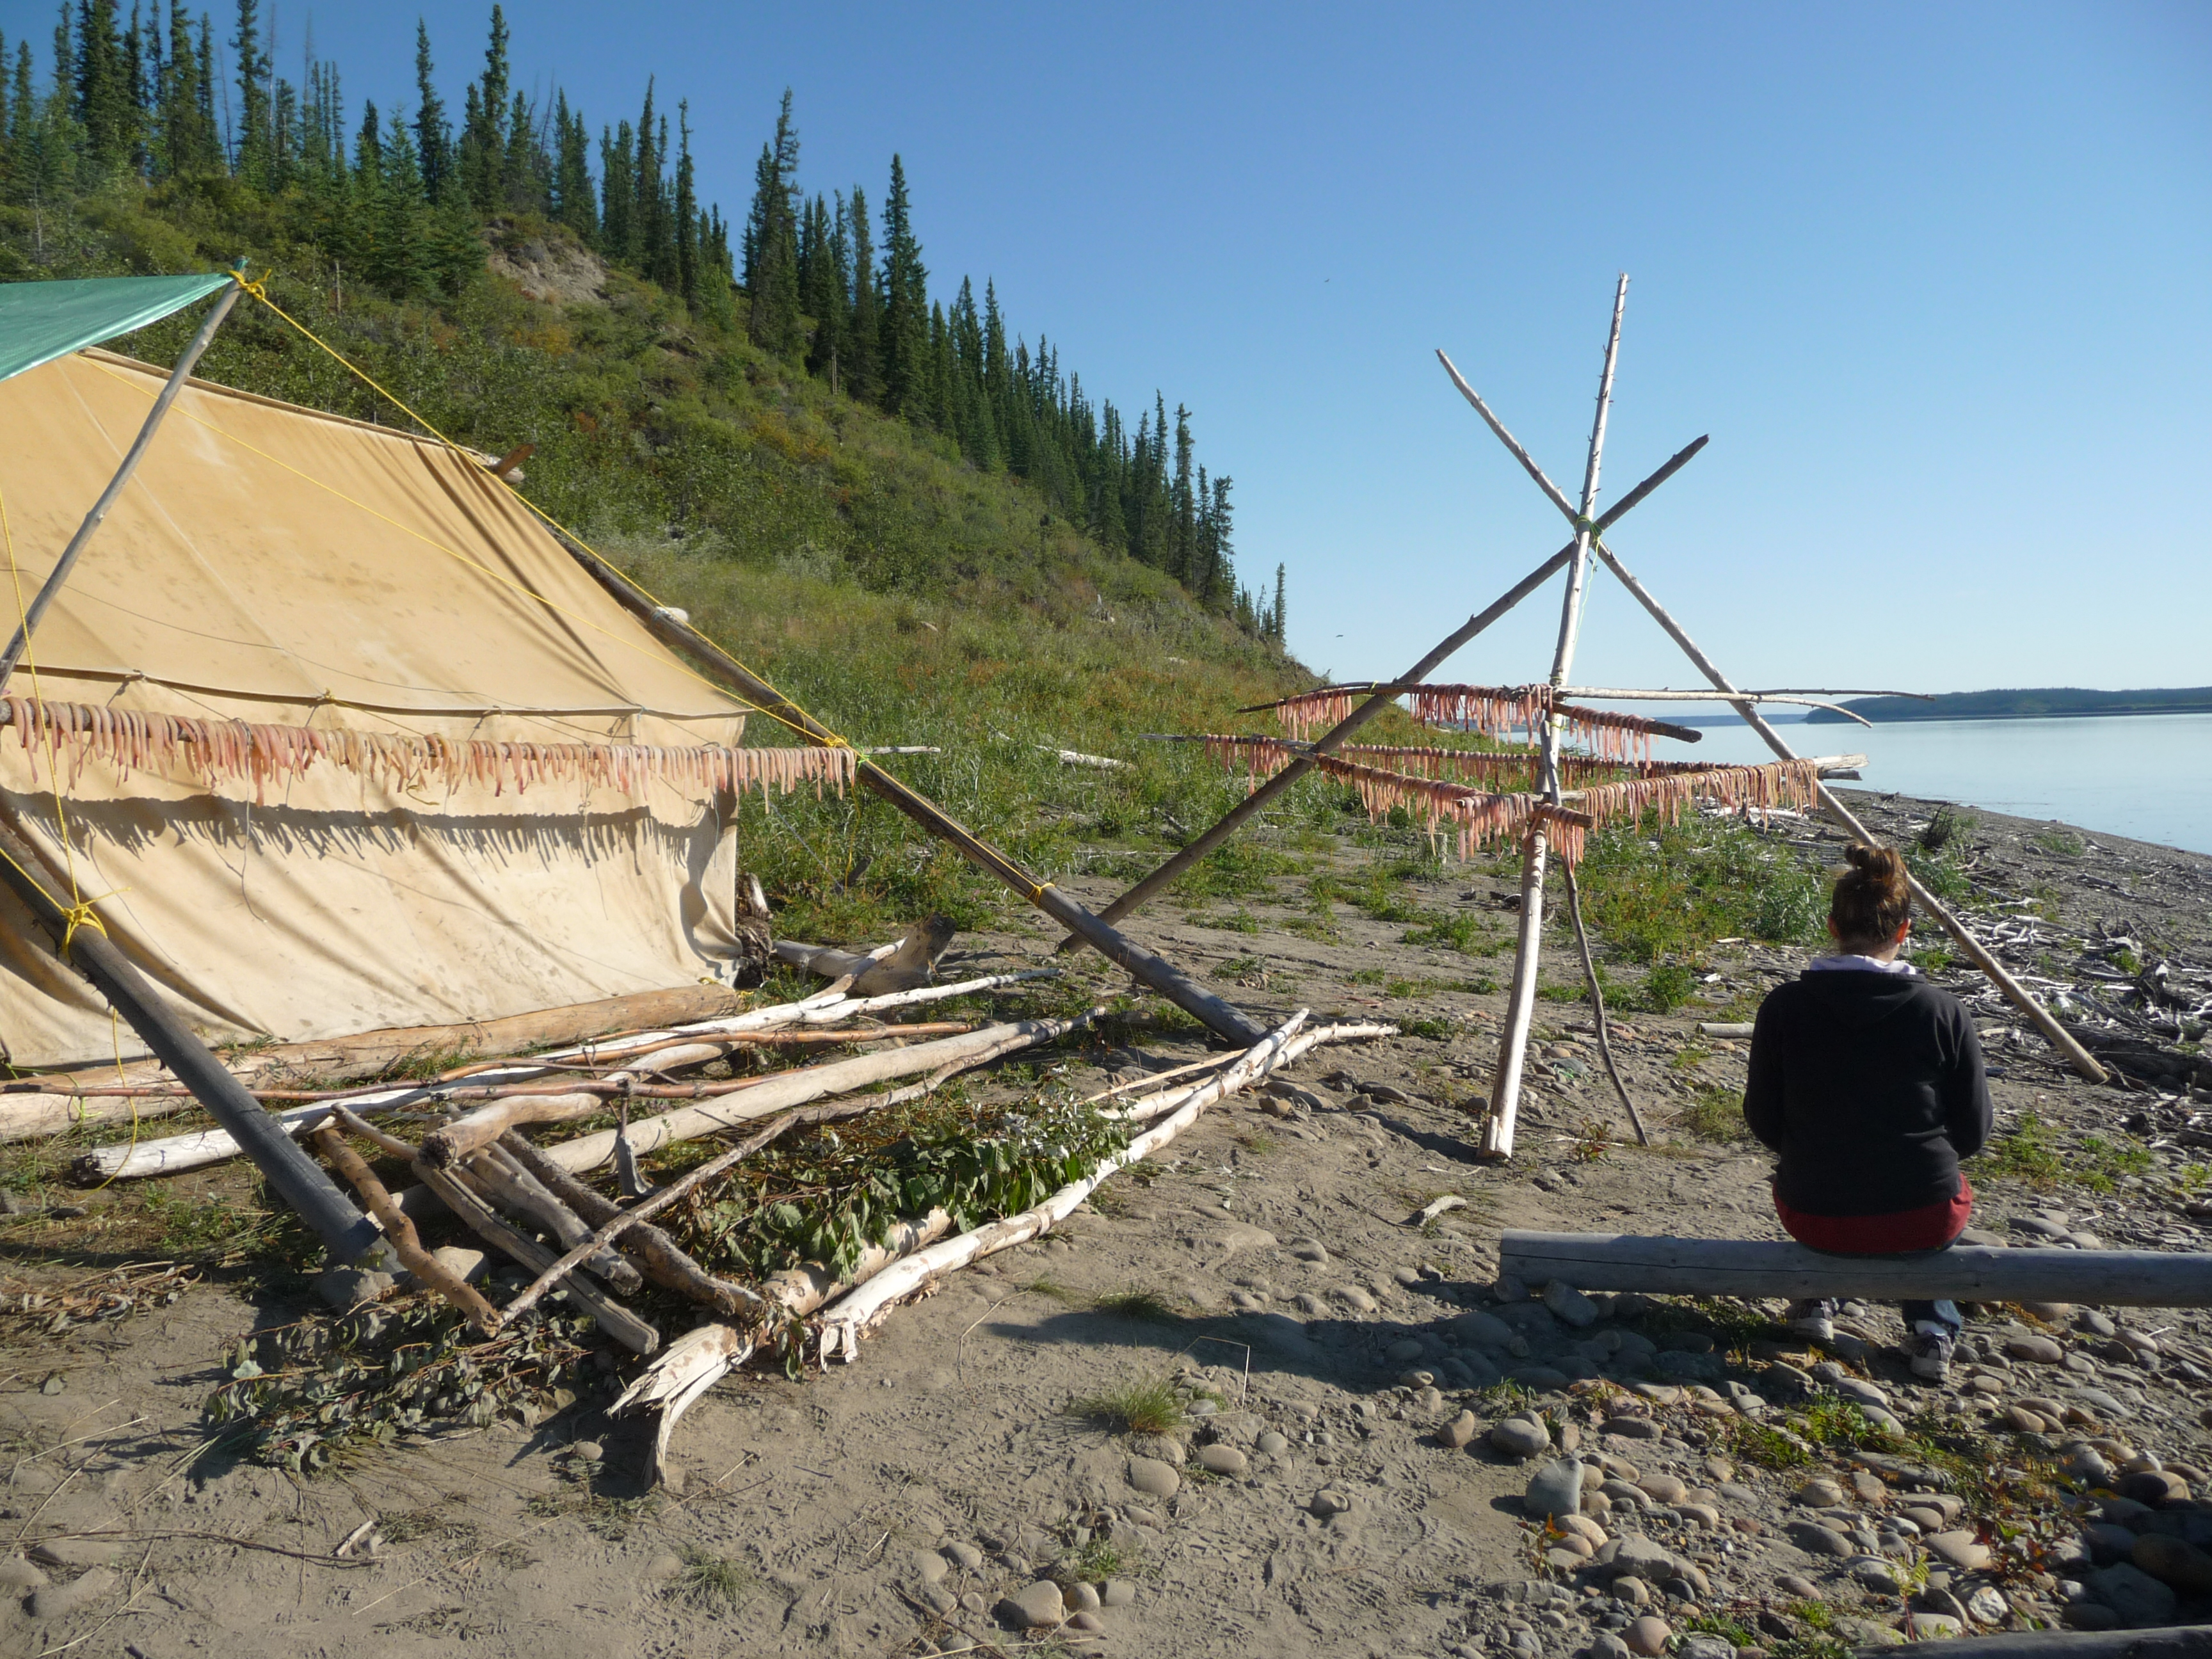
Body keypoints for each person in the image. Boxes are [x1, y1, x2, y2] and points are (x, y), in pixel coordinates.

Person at [1743, 843, 1991, 1381]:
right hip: (1924, 1214)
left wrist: (1812, 1151)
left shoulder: (1784, 1006)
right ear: (1904, 930)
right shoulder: (1942, 1010)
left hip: (1814, 1209)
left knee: (1848, 1195)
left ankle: (1818, 1296)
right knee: (1924, 1204)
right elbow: (1974, 1130)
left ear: (1833, 925)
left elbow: (1761, 1117)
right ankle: (1932, 1330)